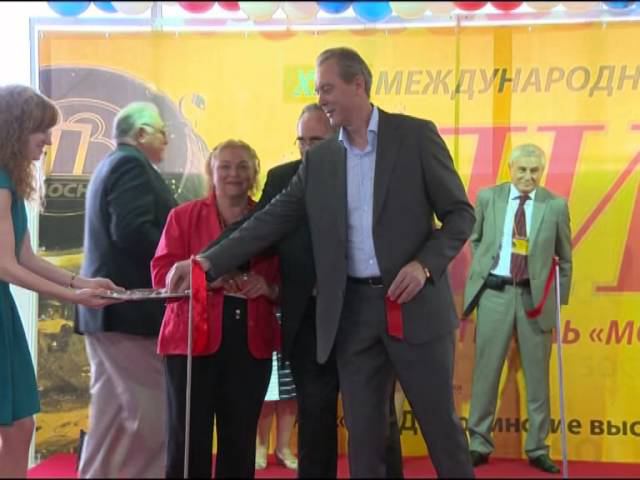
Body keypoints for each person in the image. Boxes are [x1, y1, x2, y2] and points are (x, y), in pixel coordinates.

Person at [167, 47, 475, 478]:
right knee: (365, 440)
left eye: (327, 89)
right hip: (352, 315)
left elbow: (460, 215)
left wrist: (424, 265)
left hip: (415, 306)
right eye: (318, 90)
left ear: (358, 84)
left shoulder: (416, 136)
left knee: (441, 431)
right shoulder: (321, 160)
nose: (321, 98)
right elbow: (269, 220)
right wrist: (206, 261)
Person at [210, 103, 404, 478]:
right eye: (302, 141)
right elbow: (256, 231)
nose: (308, 150)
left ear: (339, 138)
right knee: (314, 415)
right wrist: (208, 263)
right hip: (309, 320)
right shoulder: (284, 178)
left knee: (375, 416)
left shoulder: (369, 175)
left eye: (317, 141)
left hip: (363, 312)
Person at [0, 85, 119, 478]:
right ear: (16, 129)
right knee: (16, 427)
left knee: (20, 426)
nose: (49, 141)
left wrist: (82, 282)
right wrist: (76, 296)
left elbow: (26, 258)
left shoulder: (10, 181)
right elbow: (5, 266)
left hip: (4, 311)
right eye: (41, 130)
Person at [151, 139, 281, 478]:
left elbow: (292, 282)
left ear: (255, 173)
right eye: (225, 166)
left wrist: (269, 287)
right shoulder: (183, 217)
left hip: (250, 346)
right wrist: (205, 279)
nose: (234, 174)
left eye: (242, 166)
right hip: (190, 346)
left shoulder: (273, 221)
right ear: (211, 172)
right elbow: (162, 277)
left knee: (239, 443)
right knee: (187, 442)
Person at [75, 102, 177, 478]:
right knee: (156, 415)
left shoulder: (111, 164)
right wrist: (177, 261)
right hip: (128, 311)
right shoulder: (131, 166)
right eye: (162, 131)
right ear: (141, 133)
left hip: (108, 312)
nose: (167, 140)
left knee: (111, 417)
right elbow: (132, 230)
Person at [463, 144, 572, 474]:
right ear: (510, 169)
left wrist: (555, 302)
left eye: (534, 170)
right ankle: (478, 444)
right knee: (486, 373)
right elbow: (475, 239)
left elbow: (566, 259)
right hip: (494, 295)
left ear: (542, 171)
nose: (528, 177)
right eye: (522, 170)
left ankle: (538, 448)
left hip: (533, 301)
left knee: (538, 378)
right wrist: (486, 268)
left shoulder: (555, 206)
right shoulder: (488, 198)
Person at [255, 350, 298, 471]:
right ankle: (261, 447)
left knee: (290, 389)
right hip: (266, 344)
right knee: (266, 390)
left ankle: (283, 448)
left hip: (290, 343)